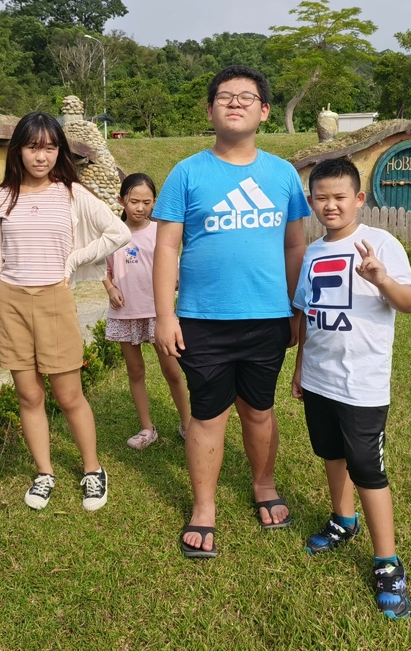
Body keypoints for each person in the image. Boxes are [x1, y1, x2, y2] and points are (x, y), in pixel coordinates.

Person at [152, 65, 311, 558]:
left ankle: (264, 483)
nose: (235, 103)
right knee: (207, 414)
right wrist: (165, 315)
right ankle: (203, 508)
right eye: (225, 96)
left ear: (264, 111)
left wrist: (294, 310)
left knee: (258, 410)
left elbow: (294, 247)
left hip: (267, 317)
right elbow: (166, 249)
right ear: (210, 109)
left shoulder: (282, 174)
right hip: (202, 318)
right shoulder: (187, 172)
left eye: (247, 97)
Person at [0, 111, 130, 512]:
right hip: (9, 302)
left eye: (49, 147)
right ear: (18, 150)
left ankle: (93, 470)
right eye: (32, 147)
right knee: (28, 395)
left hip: (54, 300)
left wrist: (75, 259)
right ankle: (44, 472)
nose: (40, 157)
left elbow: (119, 231)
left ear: (59, 150)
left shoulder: (71, 193)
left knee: (68, 395)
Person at [290, 157, 411, 619]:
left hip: (362, 383)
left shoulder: (380, 243)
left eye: (339, 197)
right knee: (330, 452)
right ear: (311, 202)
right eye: (321, 197)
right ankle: (343, 520)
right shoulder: (311, 252)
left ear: (359, 199)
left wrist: (381, 278)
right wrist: (301, 366)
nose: (330, 205)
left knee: (367, 466)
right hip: (320, 378)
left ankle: (388, 562)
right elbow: (306, 315)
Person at [103, 173, 191, 450]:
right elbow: (100, 267)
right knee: (135, 370)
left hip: (157, 312)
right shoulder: (113, 234)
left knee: (172, 370)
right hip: (125, 312)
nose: (140, 208)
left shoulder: (159, 232)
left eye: (147, 202)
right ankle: (146, 428)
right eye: (134, 201)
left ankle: (188, 424)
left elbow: (173, 268)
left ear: (155, 203)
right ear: (121, 200)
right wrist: (109, 287)